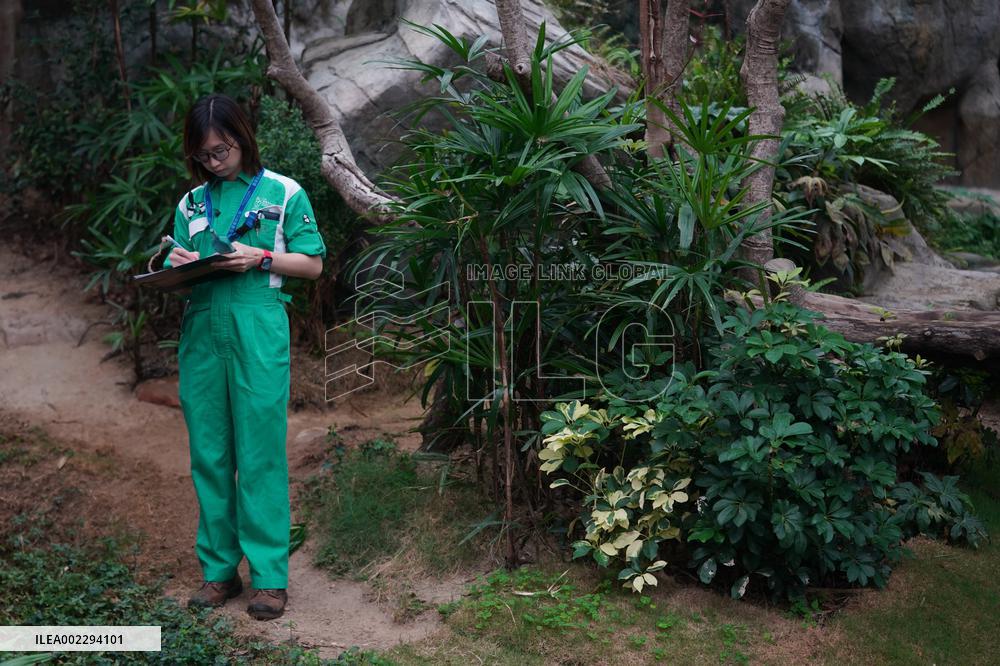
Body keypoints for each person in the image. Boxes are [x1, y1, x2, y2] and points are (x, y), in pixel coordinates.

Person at [163, 93, 326, 620]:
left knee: (259, 453)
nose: (214, 161)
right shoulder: (191, 203)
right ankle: (218, 573)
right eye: (204, 155)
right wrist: (176, 261)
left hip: (258, 323)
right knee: (209, 454)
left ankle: (270, 579)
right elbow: (183, 273)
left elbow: (312, 264)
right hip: (204, 327)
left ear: (243, 136)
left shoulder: (283, 191)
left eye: (222, 149)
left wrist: (259, 258)